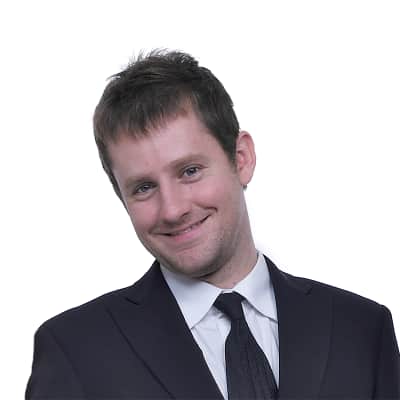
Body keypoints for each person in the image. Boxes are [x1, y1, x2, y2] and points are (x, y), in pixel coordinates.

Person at [26, 50, 400, 400]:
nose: (172, 209)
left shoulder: (363, 330)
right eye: (143, 188)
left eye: (190, 171)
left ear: (242, 158)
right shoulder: (76, 351)